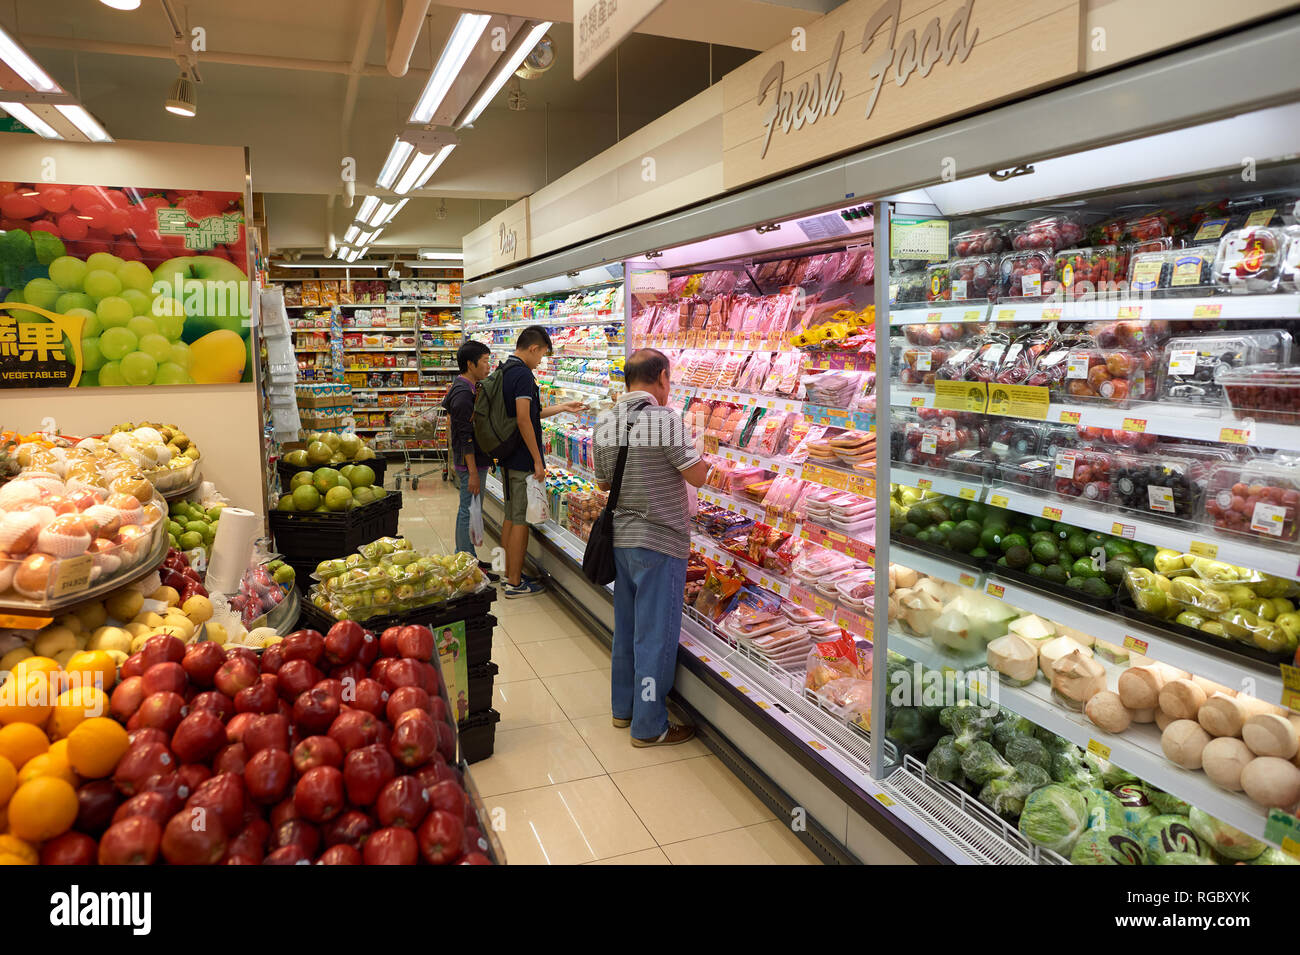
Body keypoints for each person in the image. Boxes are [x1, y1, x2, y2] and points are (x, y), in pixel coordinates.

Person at [593, 348, 709, 747]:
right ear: (661, 377)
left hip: (621, 540)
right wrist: (707, 458)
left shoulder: (606, 419)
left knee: (626, 630)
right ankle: (648, 726)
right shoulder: (665, 419)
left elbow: (603, 482)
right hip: (660, 541)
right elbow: (697, 476)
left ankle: (622, 710)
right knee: (655, 636)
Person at [498, 325, 583, 598]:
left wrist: (563, 407)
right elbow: (524, 420)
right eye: (542, 355)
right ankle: (514, 583)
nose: (541, 361)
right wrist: (537, 460)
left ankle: (507, 573)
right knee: (520, 520)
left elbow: (530, 413)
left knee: (510, 516)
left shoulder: (505, 369)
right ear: (533, 348)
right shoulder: (523, 374)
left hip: (508, 454)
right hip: (522, 456)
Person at [442, 340, 496, 578]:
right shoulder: (464, 394)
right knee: (468, 510)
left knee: (471, 510)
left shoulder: (466, 386)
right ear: (470, 364)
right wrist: (472, 472)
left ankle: (467, 557)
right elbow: (465, 436)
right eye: (484, 361)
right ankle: (465, 565)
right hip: (470, 464)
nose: (488, 366)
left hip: (472, 461)